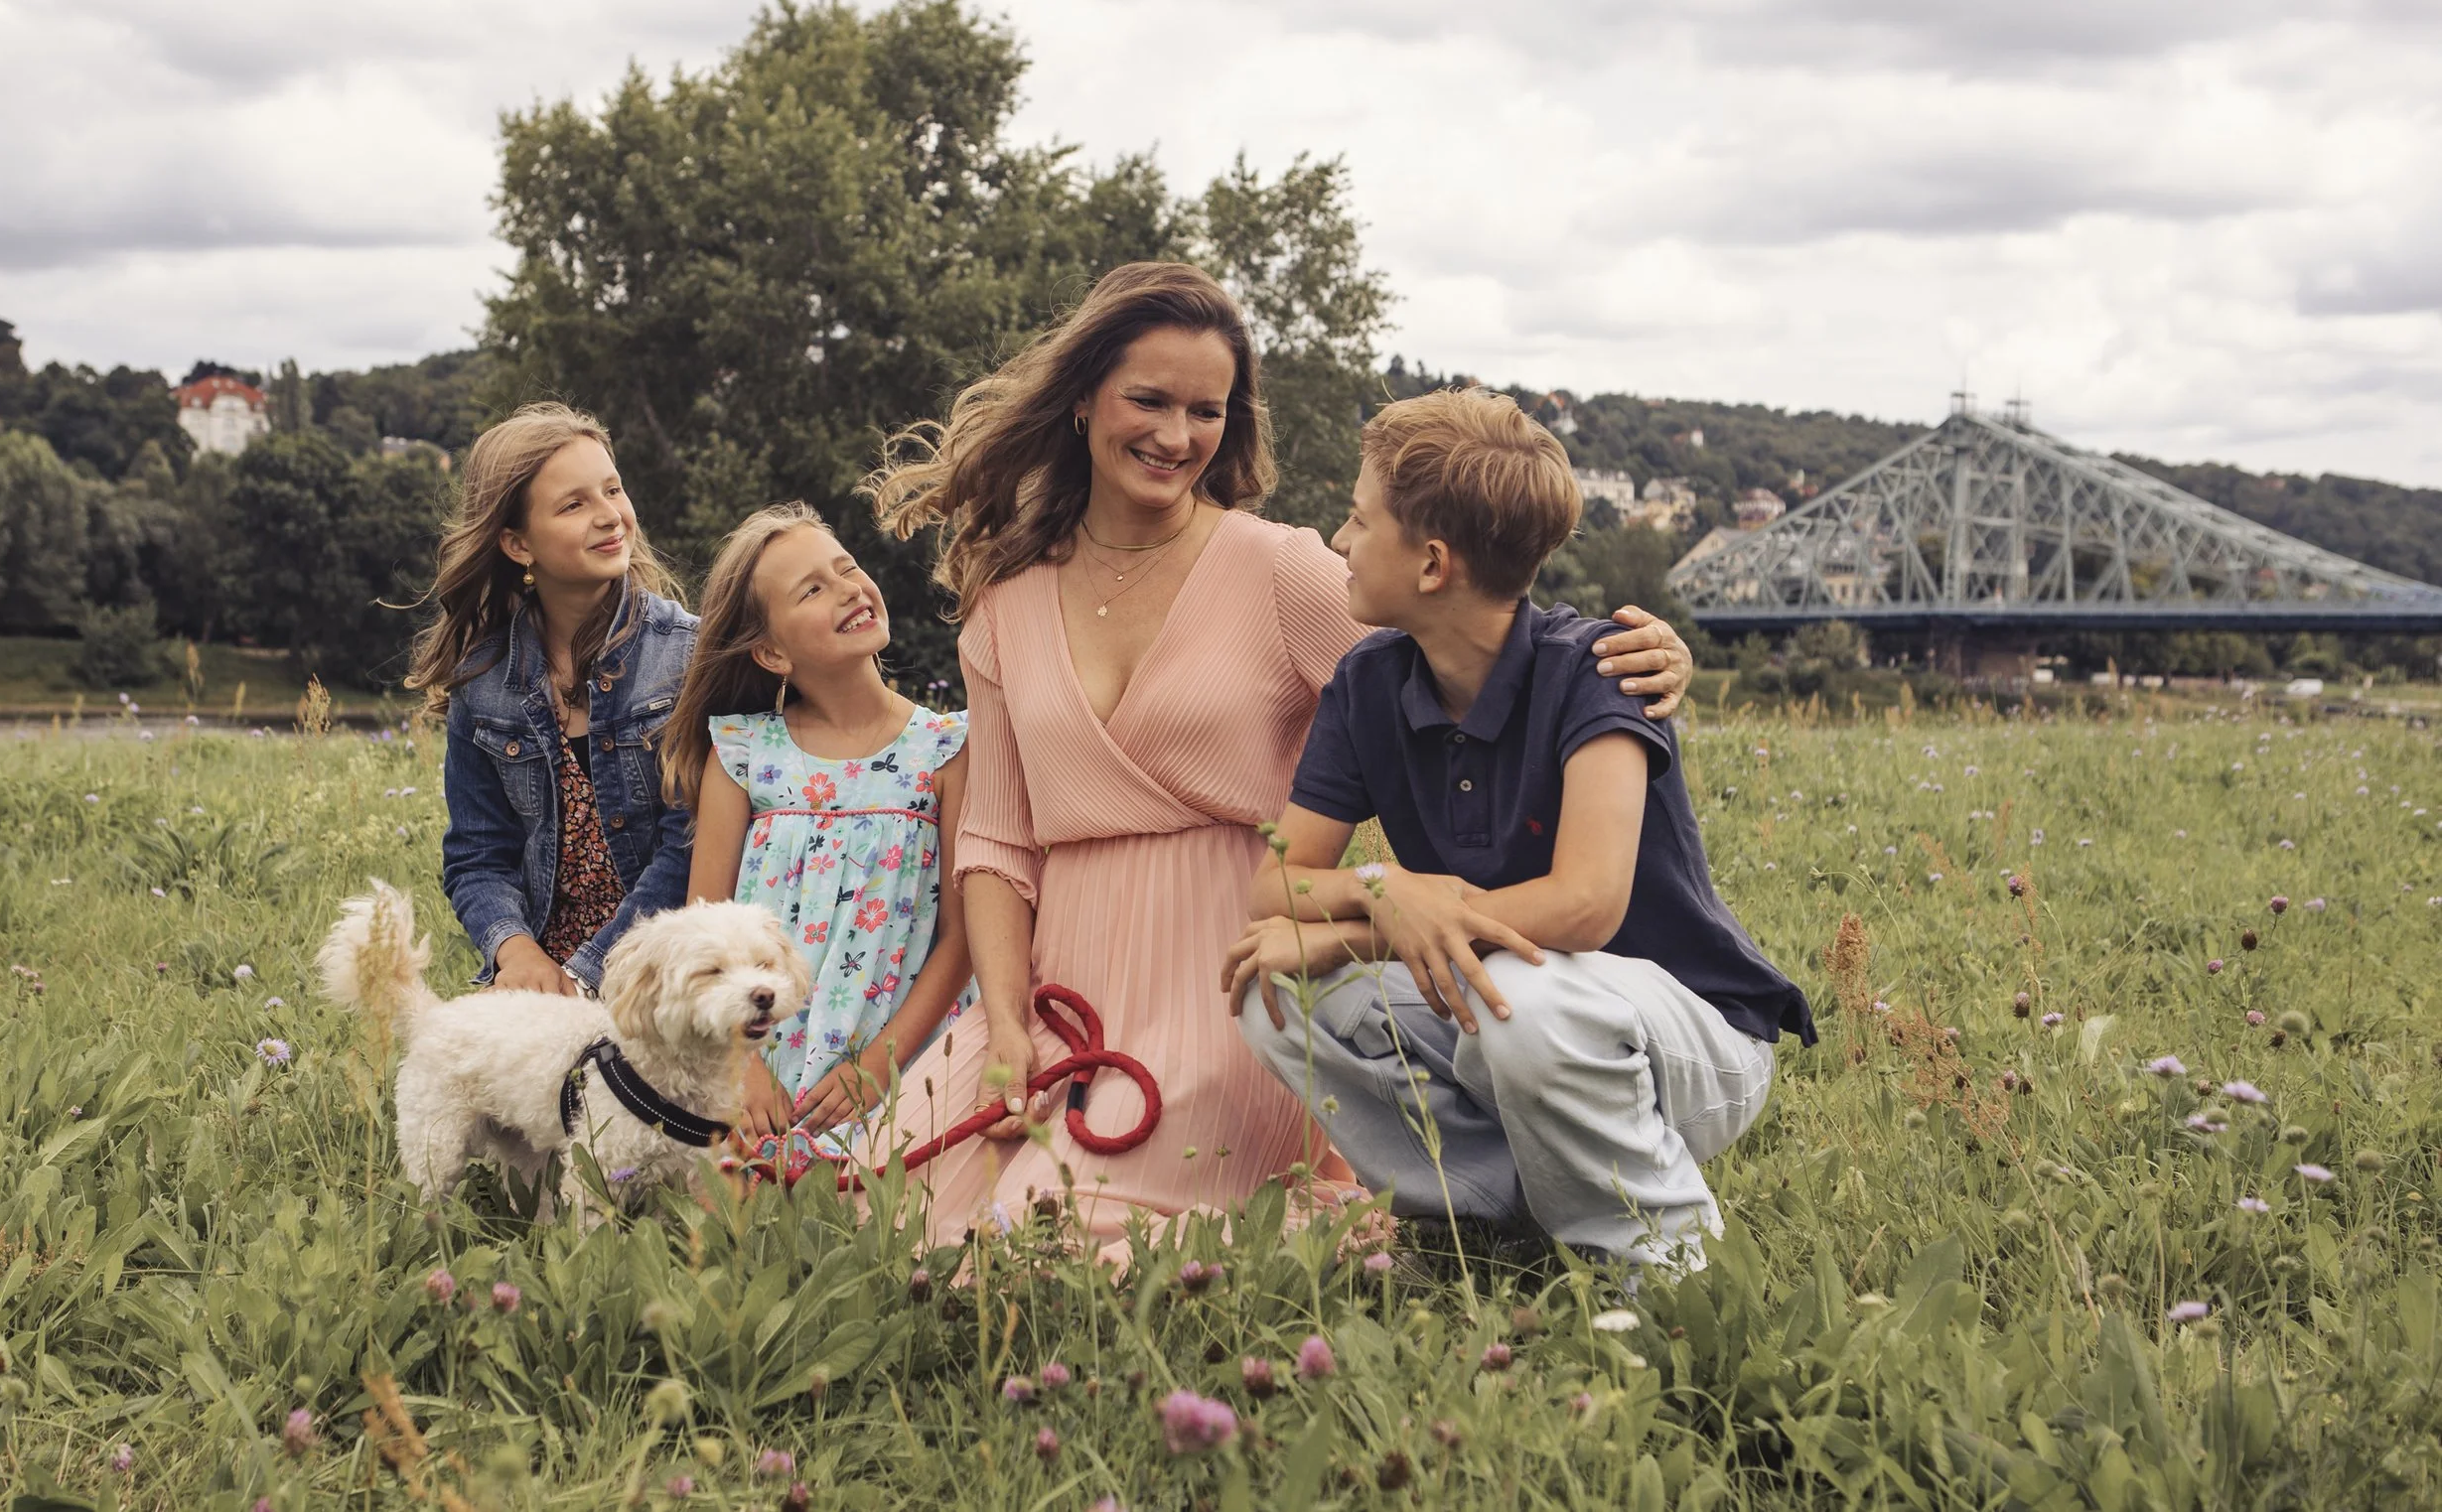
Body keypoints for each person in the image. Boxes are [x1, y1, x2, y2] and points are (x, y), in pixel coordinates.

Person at [865, 262, 1698, 1246]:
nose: (1177, 436)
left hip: (1228, 972)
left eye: (1205, 410)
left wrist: (1619, 665)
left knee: (1050, 1240)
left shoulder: (1280, 567)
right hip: (1062, 987)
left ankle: (1396, 1206)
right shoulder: (1005, 604)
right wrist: (1005, 1028)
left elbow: (1476, 660)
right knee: (889, 1207)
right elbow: (998, 843)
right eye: (1150, 400)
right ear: (1084, 397)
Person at [1224, 389, 1814, 1269]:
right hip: (1512, 1030)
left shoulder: (1598, 670)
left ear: (1431, 564)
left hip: (1687, 1038)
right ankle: (1497, 1219)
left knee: (1521, 1001)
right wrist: (1382, 893)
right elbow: (1277, 884)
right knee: (1275, 990)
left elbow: (1584, 907)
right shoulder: (1368, 683)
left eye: (1357, 520)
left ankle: (1667, 1263)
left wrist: (1361, 931)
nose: (1340, 543)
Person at [660, 503, 973, 1172]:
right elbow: (703, 931)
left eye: (847, 567)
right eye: (813, 589)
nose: (849, 588)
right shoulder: (745, 754)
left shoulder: (946, 749)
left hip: (904, 1051)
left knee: (895, 1206)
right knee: (748, 1210)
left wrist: (879, 1066)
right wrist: (743, 1068)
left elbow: (962, 936)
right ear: (772, 651)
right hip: (765, 1056)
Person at [411, 403, 698, 996]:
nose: (609, 516)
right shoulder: (483, 680)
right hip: (542, 974)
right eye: (574, 504)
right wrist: (514, 953)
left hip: (669, 967)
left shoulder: (689, 657)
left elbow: (690, 848)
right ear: (519, 544)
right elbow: (477, 854)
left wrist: (588, 972)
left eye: (612, 490)